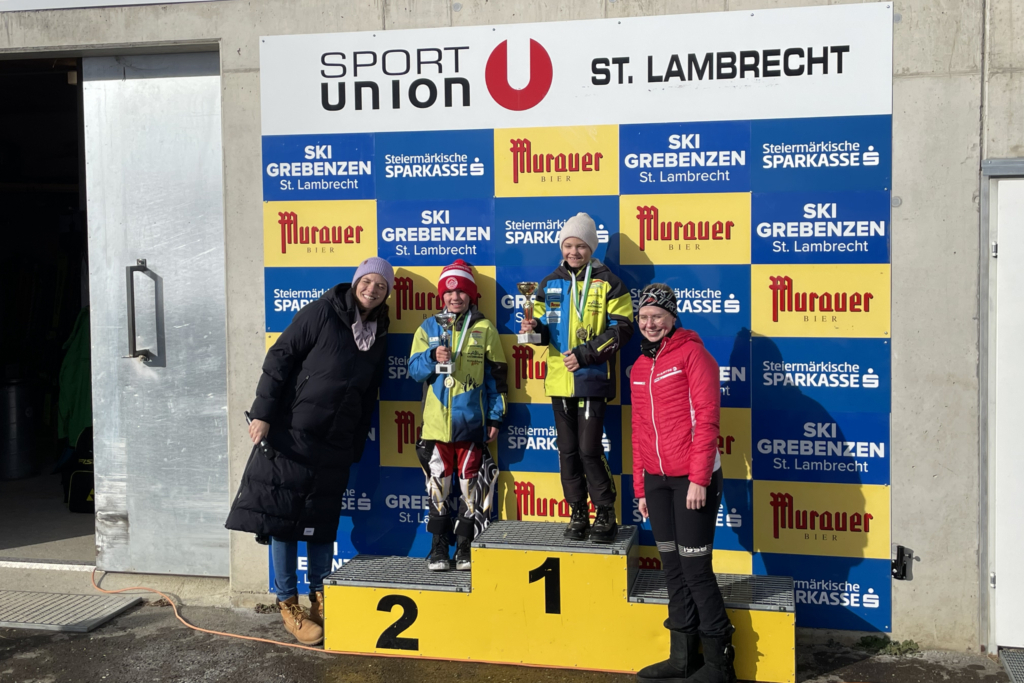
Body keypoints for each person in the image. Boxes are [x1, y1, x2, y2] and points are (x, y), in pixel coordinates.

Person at [225, 257, 393, 646]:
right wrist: (263, 414)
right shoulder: (322, 312)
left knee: (321, 522)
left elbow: (369, 393)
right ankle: (289, 604)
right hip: (292, 433)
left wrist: (354, 443)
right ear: (356, 282)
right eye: (367, 281)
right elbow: (280, 358)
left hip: (335, 442)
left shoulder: (379, 332)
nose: (372, 290)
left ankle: (321, 598)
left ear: (386, 294)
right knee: (283, 520)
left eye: (381, 286)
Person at [631, 283, 736, 683]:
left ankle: (720, 663)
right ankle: (682, 658)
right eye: (644, 317)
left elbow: (708, 419)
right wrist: (640, 488)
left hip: (693, 480)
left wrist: (699, 479)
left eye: (657, 316)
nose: (650, 323)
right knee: (672, 568)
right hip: (656, 482)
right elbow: (639, 430)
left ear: (672, 318)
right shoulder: (639, 367)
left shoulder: (694, 355)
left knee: (695, 570)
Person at [519, 213, 633, 543]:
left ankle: (605, 512)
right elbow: (543, 333)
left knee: (588, 449)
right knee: (567, 451)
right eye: (568, 245)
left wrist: (585, 354)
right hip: (559, 381)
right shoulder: (549, 283)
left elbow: (623, 329)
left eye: (580, 246)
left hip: (592, 378)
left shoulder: (609, 282)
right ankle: (577, 511)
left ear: (591, 248)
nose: (573, 252)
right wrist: (532, 329)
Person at [409, 259, 508, 571]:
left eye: (462, 291)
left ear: (471, 295)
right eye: (449, 292)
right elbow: (414, 371)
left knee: (470, 489)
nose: (455, 297)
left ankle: (465, 545)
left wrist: (495, 417)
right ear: (442, 296)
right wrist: (431, 356)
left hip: (471, 424)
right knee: (438, 488)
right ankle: (438, 546)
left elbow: (497, 379)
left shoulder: (484, 329)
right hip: (436, 427)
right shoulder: (428, 328)